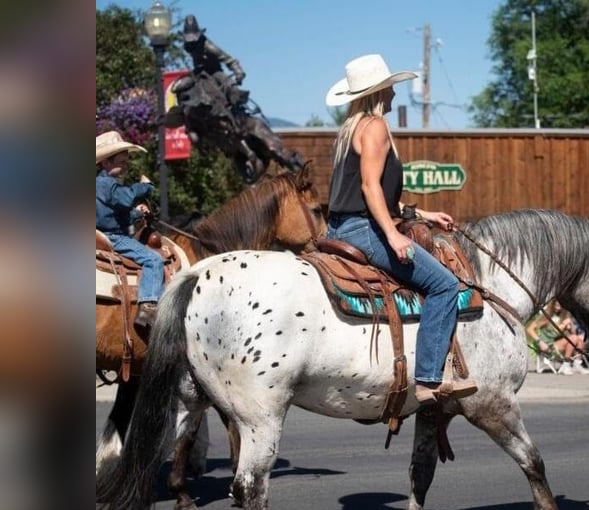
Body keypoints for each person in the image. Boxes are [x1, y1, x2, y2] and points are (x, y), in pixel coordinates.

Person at [324, 54, 477, 405]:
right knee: (444, 284)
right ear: (378, 92)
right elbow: (369, 188)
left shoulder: (351, 129)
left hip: (340, 227)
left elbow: (375, 196)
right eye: (390, 86)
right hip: (362, 229)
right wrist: (392, 235)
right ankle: (428, 378)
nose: (394, 92)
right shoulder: (375, 127)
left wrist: (423, 213)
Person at [174, 15, 303, 177]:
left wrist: (238, 73)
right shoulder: (189, 47)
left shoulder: (208, 45)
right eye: (189, 41)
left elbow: (229, 60)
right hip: (200, 76)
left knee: (230, 88)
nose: (192, 44)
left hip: (216, 73)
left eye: (194, 40)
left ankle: (238, 115)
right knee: (191, 97)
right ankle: (196, 130)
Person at [96, 131, 162, 329]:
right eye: (121, 161)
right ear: (106, 163)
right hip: (114, 238)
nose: (126, 165)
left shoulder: (100, 185)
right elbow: (127, 197)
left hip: (104, 232)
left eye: (126, 161)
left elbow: (113, 215)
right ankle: (148, 307)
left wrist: (137, 214)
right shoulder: (107, 184)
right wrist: (145, 187)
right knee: (153, 260)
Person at [526, 300, 589, 375]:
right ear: (552, 304)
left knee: (580, 338)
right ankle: (566, 364)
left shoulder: (564, 317)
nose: (558, 305)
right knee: (574, 338)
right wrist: (540, 342)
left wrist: (570, 326)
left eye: (560, 304)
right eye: (556, 304)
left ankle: (577, 363)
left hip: (559, 344)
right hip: (547, 346)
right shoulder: (545, 316)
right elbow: (530, 329)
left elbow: (574, 335)